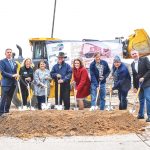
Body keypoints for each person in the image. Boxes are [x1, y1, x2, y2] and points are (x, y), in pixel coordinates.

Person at [131, 50, 150, 122]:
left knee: (148, 99)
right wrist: (135, 87)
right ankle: (141, 115)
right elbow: (134, 75)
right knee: (141, 100)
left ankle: (149, 116)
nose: (134, 55)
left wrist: (144, 77)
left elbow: (149, 70)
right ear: (131, 56)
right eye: (133, 54)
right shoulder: (132, 64)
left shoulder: (145, 59)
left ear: (138, 54)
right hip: (139, 84)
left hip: (147, 82)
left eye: (135, 53)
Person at [0, 48, 19, 116]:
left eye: (10, 52)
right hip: (5, 83)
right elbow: (3, 72)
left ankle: (6, 111)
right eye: (8, 52)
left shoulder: (14, 62)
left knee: (9, 98)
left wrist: (16, 75)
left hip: (13, 83)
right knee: (3, 98)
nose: (9, 53)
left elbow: (15, 71)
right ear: (5, 53)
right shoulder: (2, 61)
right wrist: (12, 75)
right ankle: (1, 112)